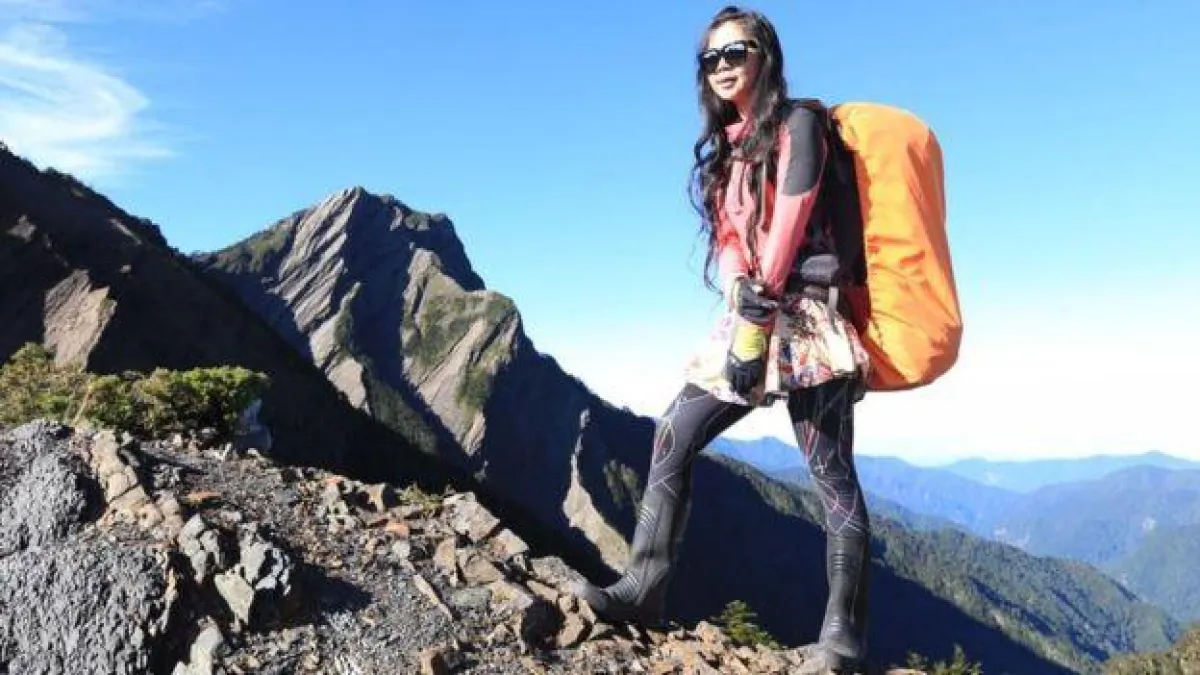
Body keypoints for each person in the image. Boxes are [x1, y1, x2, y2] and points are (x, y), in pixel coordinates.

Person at [573, 5, 873, 672]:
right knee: (674, 432)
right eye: (710, 58)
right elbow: (730, 239)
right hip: (752, 312)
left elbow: (792, 213)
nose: (721, 67)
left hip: (806, 317)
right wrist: (739, 291)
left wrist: (756, 314)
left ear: (765, 56)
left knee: (829, 471)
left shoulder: (800, 124)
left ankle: (843, 638)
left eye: (735, 52)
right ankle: (644, 586)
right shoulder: (728, 151)